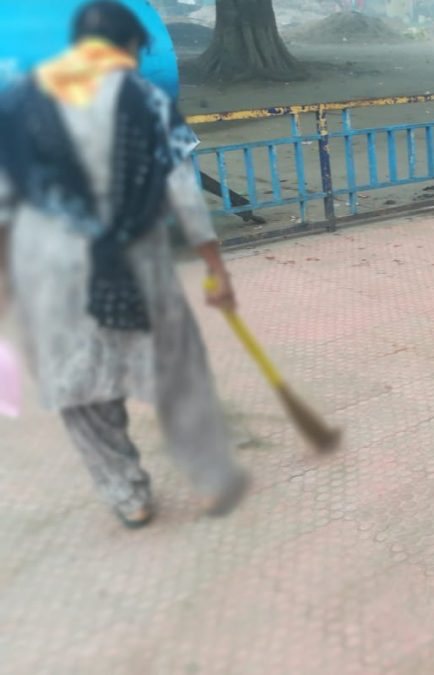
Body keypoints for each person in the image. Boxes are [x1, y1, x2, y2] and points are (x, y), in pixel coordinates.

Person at [0, 1, 247, 527]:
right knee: (176, 370)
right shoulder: (146, 99)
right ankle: (208, 478)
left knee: (80, 387)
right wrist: (214, 269)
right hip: (138, 258)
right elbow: (183, 190)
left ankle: (127, 495)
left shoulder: (17, 102)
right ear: (128, 46)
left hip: (50, 266)